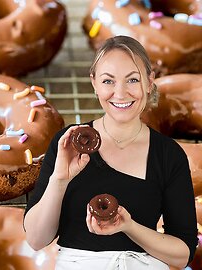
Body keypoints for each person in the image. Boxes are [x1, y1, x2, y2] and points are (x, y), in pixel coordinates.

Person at [24, 35, 198, 270]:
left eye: (132, 80)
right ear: (94, 84)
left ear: (149, 82)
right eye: (108, 81)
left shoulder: (168, 154)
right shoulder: (69, 144)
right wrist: (60, 180)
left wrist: (129, 226)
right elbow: (36, 239)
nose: (120, 92)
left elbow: (182, 254)